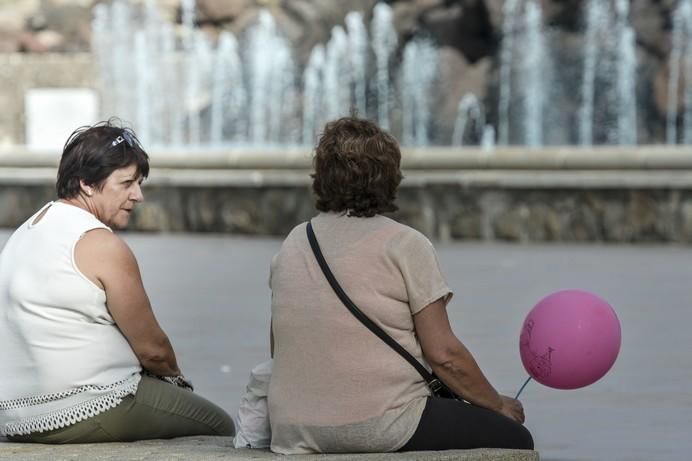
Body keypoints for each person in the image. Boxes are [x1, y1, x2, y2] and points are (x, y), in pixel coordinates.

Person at [267, 116, 533, 454]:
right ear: (389, 177)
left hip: (292, 427)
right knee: (516, 441)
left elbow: (280, 347)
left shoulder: (293, 242)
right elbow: (445, 356)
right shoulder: (405, 244)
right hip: (383, 423)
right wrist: (497, 405)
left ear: (321, 176)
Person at [0, 121, 234, 443]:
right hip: (88, 406)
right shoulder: (100, 243)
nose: (138, 196)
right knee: (221, 427)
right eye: (126, 183)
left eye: (138, 183)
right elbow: (153, 351)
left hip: (16, 417)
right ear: (87, 184)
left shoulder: (27, 230)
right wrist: (178, 381)